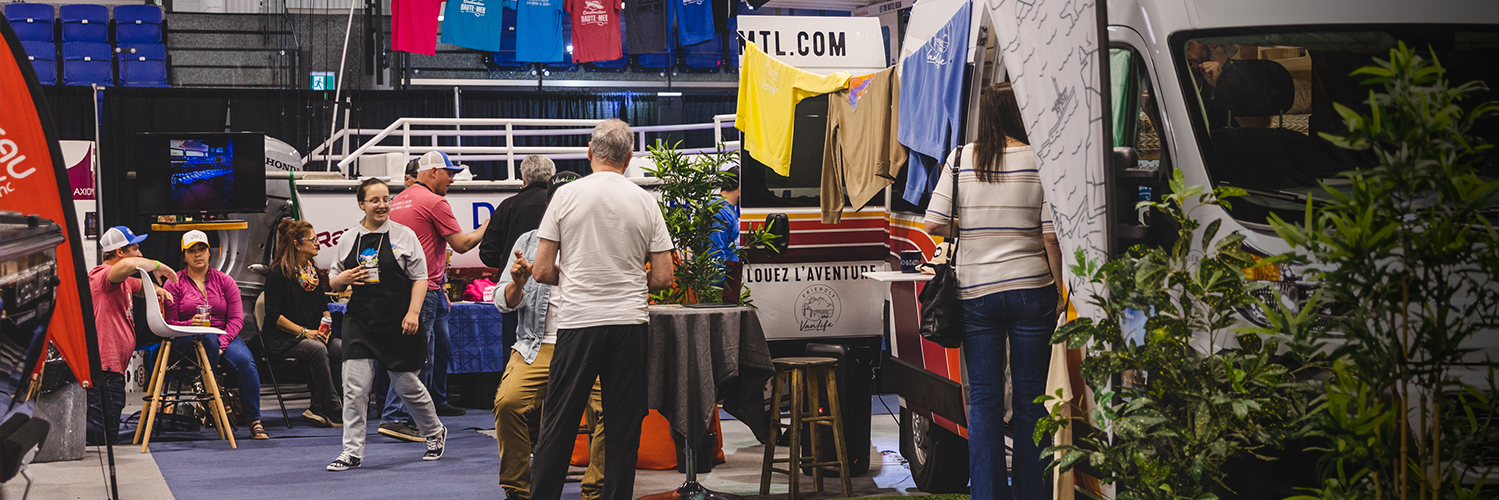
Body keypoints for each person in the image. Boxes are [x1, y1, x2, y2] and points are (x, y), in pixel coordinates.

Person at [923, 82, 1065, 500]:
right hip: (1031, 290)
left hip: (976, 293)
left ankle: (987, 495)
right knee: (1031, 399)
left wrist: (970, 227)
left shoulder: (962, 159)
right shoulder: (1042, 158)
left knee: (983, 402)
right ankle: (1033, 494)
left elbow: (933, 223)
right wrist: (1060, 292)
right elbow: (1051, 237)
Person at [528, 119, 675, 500]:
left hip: (579, 322)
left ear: (589, 153)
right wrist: (622, 280)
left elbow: (542, 270)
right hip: (629, 323)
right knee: (623, 430)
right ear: (628, 159)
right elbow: (662, 277)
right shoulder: (645, 200)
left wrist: (581, 276)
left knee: (558, 425)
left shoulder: (565, 196)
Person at [491, 171, 607, 500]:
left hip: (589, 344)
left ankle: (595, 490)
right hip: (537, 345)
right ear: (550, 204)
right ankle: (518, 489)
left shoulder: (598, 242)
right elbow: (503, 302)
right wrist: (518, 283)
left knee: (613, 411)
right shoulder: (528, 242)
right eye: (561, 200)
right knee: (509, 403)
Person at [326, 178, 447, 471]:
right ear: (361, 204)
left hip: (398, 322)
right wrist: (344, 279)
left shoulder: (405, 236)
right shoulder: (348, 238)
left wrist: (413, 313)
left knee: (407, 386)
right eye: (374, 200)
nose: (381, 205)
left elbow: (421, 278)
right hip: (360, 322)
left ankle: (434, 432)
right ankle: (351, 452)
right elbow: (332, 280)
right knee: (354, 389)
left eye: (385, 199)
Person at [380, 150, 491, 441]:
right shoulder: (435, 201)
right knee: (419, 356)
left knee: (418, 351)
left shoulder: (399, 200)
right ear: (432, 172)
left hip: (405, 288)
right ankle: (399, 416)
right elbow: (463, 244)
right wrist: (486, 228)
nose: (453, 179)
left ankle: (413, 414)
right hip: (423, 288)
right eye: (449, 173)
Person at [162, 230, 265, 439]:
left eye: (202, 249)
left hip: (222, 336)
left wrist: (223, 342)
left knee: (246, 362)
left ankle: (255, 421)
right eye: (192, 251)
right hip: (186, 338)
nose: (197, 254)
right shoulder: (174, 283)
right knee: (207, 339)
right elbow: (169, 323)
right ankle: (211, 396)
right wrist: (188, 323)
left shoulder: (225, 281)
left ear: (210, 253)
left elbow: (237, 319)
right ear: (184, 256)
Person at [86, 226, 177, 446]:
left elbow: (140, 287)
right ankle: (52, 426)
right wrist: (160, 266)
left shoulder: (123, 281)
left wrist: (158, 290)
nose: (139, 253)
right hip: (104, 368)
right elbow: (128, 265)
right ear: (119, 252)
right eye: (135, 248)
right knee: (103, 434)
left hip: (114, 368)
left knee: (107, 431)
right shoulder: (103, 276)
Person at [262, 219, 344, 428]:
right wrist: (305, 332)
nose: (318, 243)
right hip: (283, 338)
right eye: (313, 240)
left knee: (339, 347)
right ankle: (334, 408)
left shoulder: (312, 272)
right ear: (297, 244)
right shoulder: (277, 273)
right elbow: (273, 316)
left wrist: (326, 327)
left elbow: (323, 306)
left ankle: (317, 408)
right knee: (316, 349)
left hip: (312, 333)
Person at [480, 155, 557, 372]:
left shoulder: (507, 206)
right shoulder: (561, 207)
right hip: (556, 294)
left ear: (523, 178)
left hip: (516, 291)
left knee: (517, 351)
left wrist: (510, 265)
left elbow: (487, 254)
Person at [708, 165, 742, 303]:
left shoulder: (726, 210)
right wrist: (723, 284)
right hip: (720, 286)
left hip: (726, 283)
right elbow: (714, 252)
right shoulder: (719, 212)